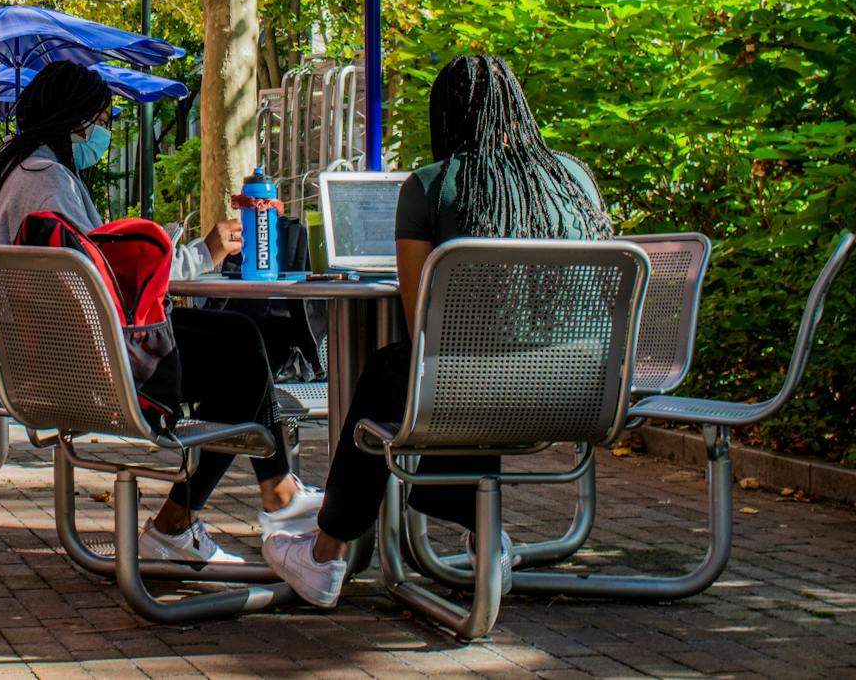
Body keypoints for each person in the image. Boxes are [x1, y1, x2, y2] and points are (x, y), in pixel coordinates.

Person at [263, 54, 614, 608]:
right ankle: (484, 535)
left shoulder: (433, 186)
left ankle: (326, 554)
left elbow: (421, 319)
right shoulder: (574, 182)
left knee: (397, 368)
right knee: (476, 361)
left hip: (473, 391)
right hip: (581, 390)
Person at [0, 60, 323, 565]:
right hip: (95, 365)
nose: (103, 133)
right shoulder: (47, 181)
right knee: (242, 358)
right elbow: (105, 277)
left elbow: (92, 263)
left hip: (56, 356)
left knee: (240, 338)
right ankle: (218, 510)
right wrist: (204, 252)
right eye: (101, 120)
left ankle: (256, 496)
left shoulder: (16, 175)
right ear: (77, 121)